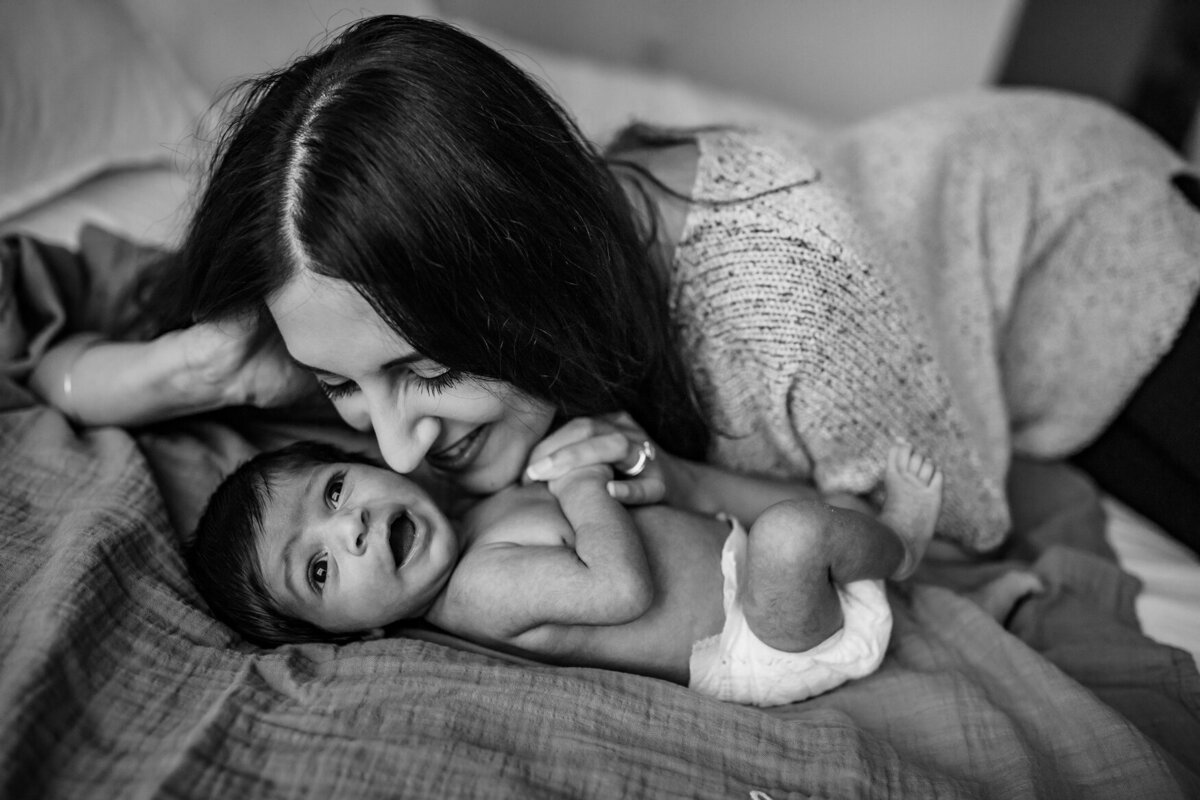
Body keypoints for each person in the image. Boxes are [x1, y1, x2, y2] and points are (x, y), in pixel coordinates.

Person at [29, 15, 1200, 553]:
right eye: (346, 386)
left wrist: (665, 475)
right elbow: (64, 369)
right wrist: (194, 363)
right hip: (950, 226)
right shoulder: (407, 274)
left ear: (521, 284)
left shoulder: (790, 296)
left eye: (426, 370)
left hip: (1120, 255)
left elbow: (940, 532)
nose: (388, 450)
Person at [188, 439, 945, 707]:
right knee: (795, 536)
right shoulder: (477, 591)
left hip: (742, 565)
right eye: (318, 569)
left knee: (817, 525)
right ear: (358, 631)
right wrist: (583, 485)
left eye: (333, 490)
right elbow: (622, 590)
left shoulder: (473, 514)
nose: (347, 527)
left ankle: (861, 540)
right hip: (760, 638)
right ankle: (903, 550)